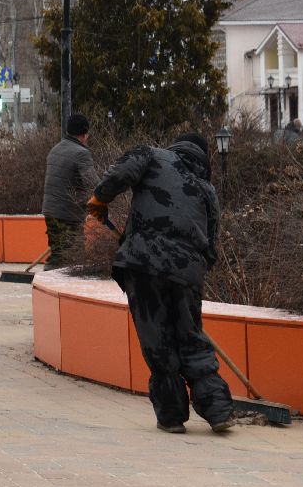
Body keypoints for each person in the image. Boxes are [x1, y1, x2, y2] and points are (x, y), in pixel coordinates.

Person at [86, 132, 233, 434]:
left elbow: (121, 172)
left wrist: (100, 198)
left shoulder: (151, 155)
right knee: (191, 337)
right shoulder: (207, 188)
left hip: (144, 264)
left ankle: (171, 416)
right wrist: (192, 271)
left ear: (176, 146)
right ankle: (218, 408)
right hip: (187, 271)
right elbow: (212, 242)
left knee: (158, 340)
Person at [42, 113, 96, 266]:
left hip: (50, 212)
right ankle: (51, 281)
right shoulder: (81, 153)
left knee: (58, 254)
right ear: (85, 134)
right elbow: (93, 184)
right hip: (68, 215)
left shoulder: (55, 150)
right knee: (75, 258)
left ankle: (48, 280)